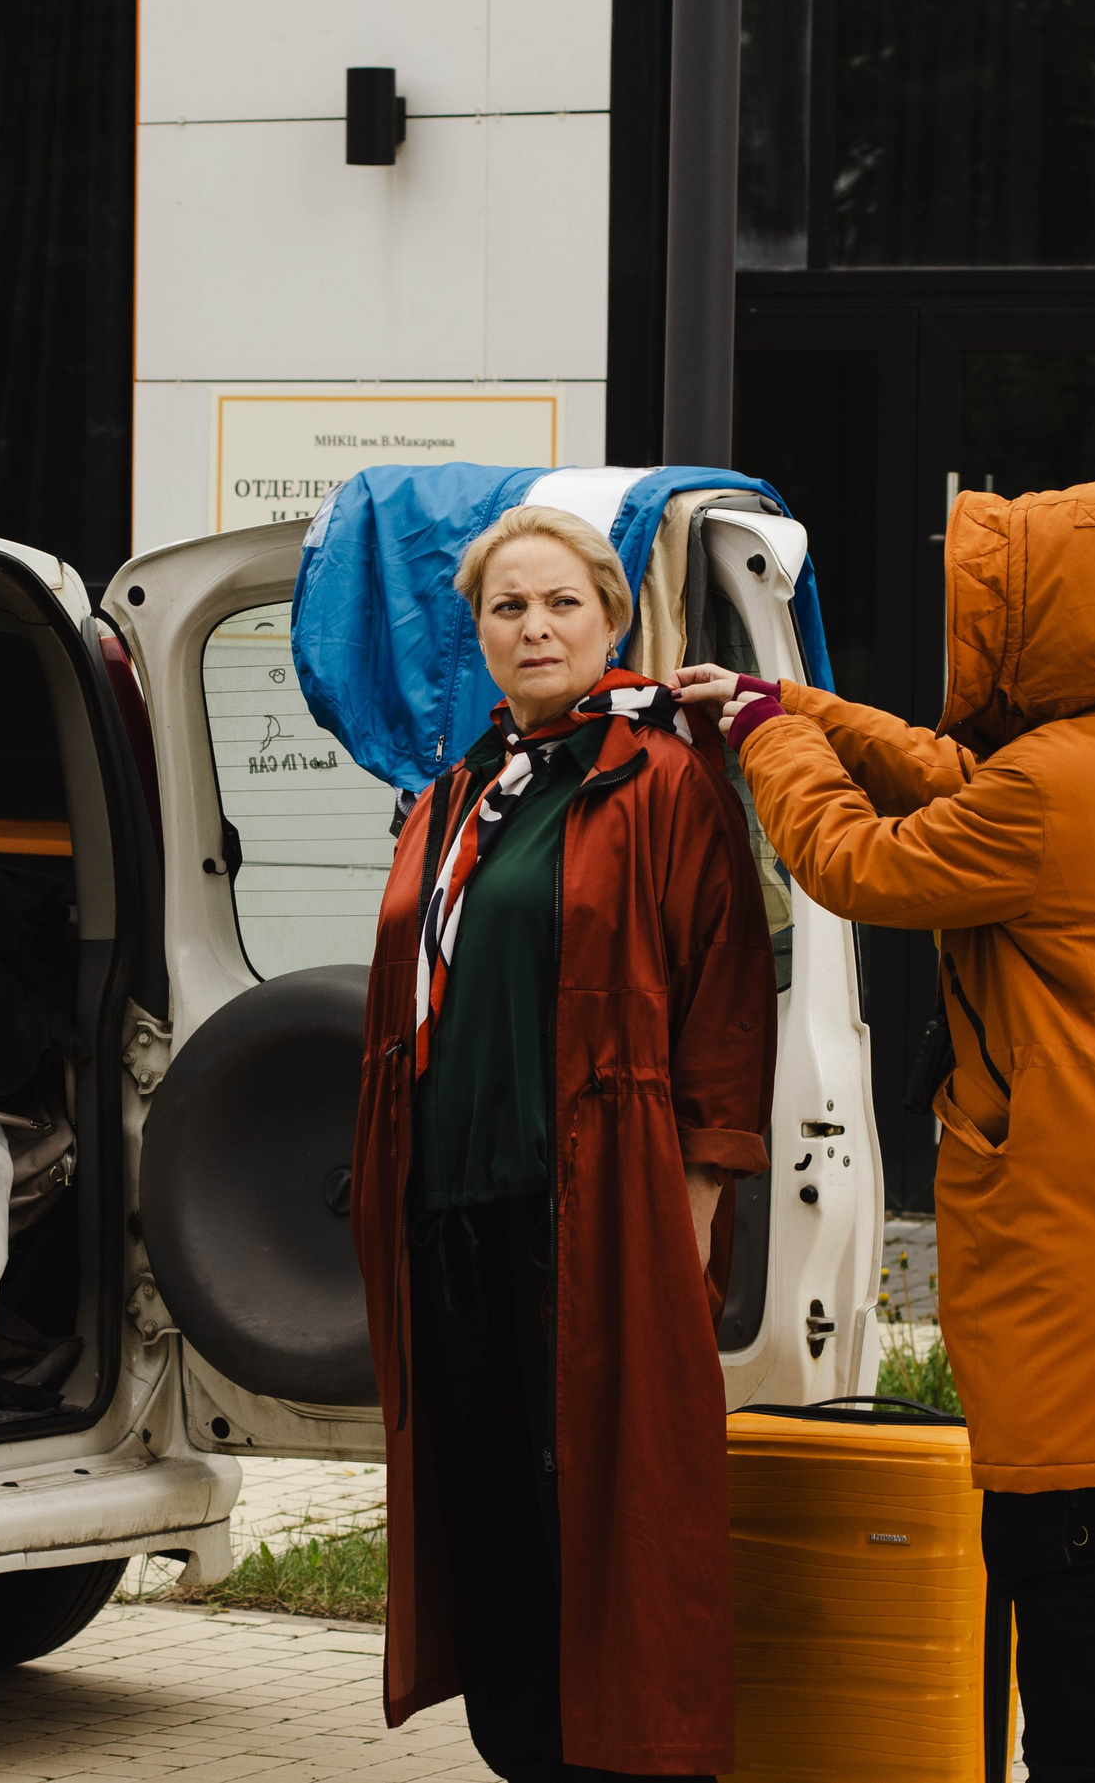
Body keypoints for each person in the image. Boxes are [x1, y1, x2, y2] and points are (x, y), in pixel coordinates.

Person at [673, 479, 1095, 1783]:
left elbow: (863, 864)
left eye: (1001, 609)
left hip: (1081, 1200)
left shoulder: (1053, 787)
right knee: (1065, 1515)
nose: (972, 636)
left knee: (1054, 1531)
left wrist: (769, 742)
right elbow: (953, 773)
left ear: (1068, 623)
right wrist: (796, 707)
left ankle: (1074, 1770)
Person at [350, 503, 777, 1781]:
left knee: (607, 1507)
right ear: (475, 632)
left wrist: (700, 1187)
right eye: (506, 607)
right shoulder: (457, 792)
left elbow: (724, 988)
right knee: (487, 1512)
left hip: (596, 1201)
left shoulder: (662, 778)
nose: (534, 627)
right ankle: (527, 1754)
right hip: (450, 1211)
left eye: (560, 605)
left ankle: (630, 1758)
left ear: (611, 620)